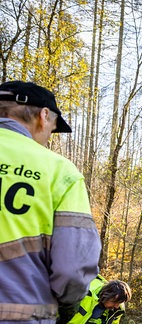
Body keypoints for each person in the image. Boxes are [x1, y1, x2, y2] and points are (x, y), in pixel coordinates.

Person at [0, 80, 101, 323]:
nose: (48, 138)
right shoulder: (59, 171)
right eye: (52, 129)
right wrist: (67, 308)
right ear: (43, 116)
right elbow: (72, 270)